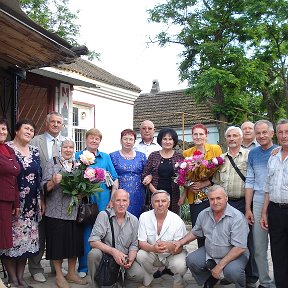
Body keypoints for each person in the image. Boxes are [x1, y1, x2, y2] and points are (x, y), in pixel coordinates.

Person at [175, 185, 249, 288]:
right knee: (191, 261)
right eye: (212, 199)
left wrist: (220, 265)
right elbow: (195, 232)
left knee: (233, 272)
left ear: (226, 198)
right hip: (211, 251)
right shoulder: (204, 214)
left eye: (218, 198)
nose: (215, 202)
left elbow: (240, 248)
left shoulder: (237, 218)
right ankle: (210, 278)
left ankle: (241, 285)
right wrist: (180, 242)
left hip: (234, 254)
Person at [213, 126, 258, 287]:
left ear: (241, 138)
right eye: (229, 136)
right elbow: (216, 181)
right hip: (225, 204)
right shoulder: (220, 159)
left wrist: (248, 208)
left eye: (235, 136)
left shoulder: (250, 156)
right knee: (228, 240)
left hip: (244, 203)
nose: (232, 139)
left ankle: (251, 277)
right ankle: (231, 273)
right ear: (226, 139)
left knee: (248, 240)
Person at [1, 119, 42, 288]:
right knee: (11, 241)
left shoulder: (35, 150)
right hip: (13, 203)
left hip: (31, 205)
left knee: (26, 242)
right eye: (26, 128)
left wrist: (41, 200)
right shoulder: (7, 148)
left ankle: (21, 278)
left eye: (32, 130)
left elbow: (39, 176)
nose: (29, 132)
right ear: (16, 131)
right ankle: (12, 279)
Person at [42, 139, 87, 288]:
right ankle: (59, 275)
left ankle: (72, 273)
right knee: (57, 245)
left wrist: (82, 193)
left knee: (74, 244)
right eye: (65, 147)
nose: (68, 150)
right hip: (56, 211)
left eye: (71, 147)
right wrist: (53, 182)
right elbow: (43, 186)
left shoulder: (78, 164)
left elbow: (82, 186)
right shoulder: (52, 162)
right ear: (60, 149)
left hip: (73, 211)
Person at [76, 128, 118, 278]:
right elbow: (73, 176)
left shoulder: (105, 157)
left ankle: (102, 265)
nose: (94, 141)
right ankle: (83, 267)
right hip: (86, 201)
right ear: (86, 139)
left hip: (103, 200)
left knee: (102, 233)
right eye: (91, 138)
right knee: (85, 233)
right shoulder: (78, 156)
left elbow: (115, 179)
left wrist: (113, 198)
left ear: (100, 141)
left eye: (97, 139)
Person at [29, 111, 65, 283]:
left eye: (59, 122)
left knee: (56, 231)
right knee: (40, 231)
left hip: (60, 194)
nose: (56, 125)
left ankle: (55, 266)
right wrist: (40, 195)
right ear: (47, 123)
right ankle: (36, 267)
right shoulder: (36, 141)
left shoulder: (65, 142)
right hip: (40, 191)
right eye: (53, 122)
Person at [88, 189, 143, 288]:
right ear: (112, 202)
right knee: (94, 254)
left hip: (124, 258)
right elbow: (93, 241)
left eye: (124, 200)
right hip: (107, 258)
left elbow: (134, 244)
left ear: (128, 202)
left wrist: (130, 259)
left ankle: (119, 284)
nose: (121, 204)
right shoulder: (104, 215)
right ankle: (96, 285)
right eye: (118, 200)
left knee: (139, 273)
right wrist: (113, 252)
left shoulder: (134, 220)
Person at [245, 120, 276, 288]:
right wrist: (248, 208)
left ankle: (281, 279)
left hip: (277, 202)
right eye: (259, 133)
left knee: (280, 245)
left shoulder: (279, 152)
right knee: (258, 246)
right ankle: (265, 281)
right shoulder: (253, 154)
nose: (262, 135)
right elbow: (249, 181)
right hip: (257, 202)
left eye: (265, 132)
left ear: (272, 133)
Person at [181, 123, 222, 247]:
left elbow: (220, 171)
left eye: (201, 134)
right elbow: (183, 175)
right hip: (195, 196)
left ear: (206, 135)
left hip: (212, 194)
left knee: (215, 227)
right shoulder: (187, 153)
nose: (198, 137)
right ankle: (201, 256)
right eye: (195, 134)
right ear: (192, 136)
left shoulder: (215, 149)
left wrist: (205, 183)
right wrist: (190, 185)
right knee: (199, 229)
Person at [136, 190, 187, 288]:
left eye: (163, 201)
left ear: (168, 203)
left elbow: (180, 248)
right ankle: (147, 281)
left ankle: (178, 283)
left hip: (172, 254)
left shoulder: (177, 220)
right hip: (153, 253)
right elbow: (141, 242)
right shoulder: (144, 217)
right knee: (141, 255)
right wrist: (152, 248)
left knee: (181, 264)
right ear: (151, 203)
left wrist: (169, 246)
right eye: (156, 201)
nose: (160, 204)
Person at [260, 118, 288, 287]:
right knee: (278, 253)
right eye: (281, 132)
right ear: (276, 135)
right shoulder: (274, 156)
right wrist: (264, 212)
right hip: (275, 211)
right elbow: (268, 187)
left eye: (287, 132)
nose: (284, 135)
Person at [142, 128, 183, 215]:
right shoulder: (153, 155)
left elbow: (184, 177)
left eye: (170, 139)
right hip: (155, 194)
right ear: (160, 140)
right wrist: (155, 192)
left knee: (172, 221)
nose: (167, 142)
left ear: (174, 141)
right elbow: (144, 175)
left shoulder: (179, 156)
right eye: (165, 139)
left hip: (173, 195)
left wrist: (184, 196)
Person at [110, 129, 147, 218]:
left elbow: (146, 172)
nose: (128, 142)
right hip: (119, 194)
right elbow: (111, 176)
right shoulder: (112, 156)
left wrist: (148, 176)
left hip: (138, 194)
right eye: (125, 139)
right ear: (120, 140)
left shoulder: (142, 156)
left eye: (131, 139)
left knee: (136, 220)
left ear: (134, 142)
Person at [0, 118, 20, 252]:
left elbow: (14, 177)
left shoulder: (8, 149)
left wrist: (16, 202)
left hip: (7, 201)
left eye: (4, 128)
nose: (2, 131)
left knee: (3, 239)